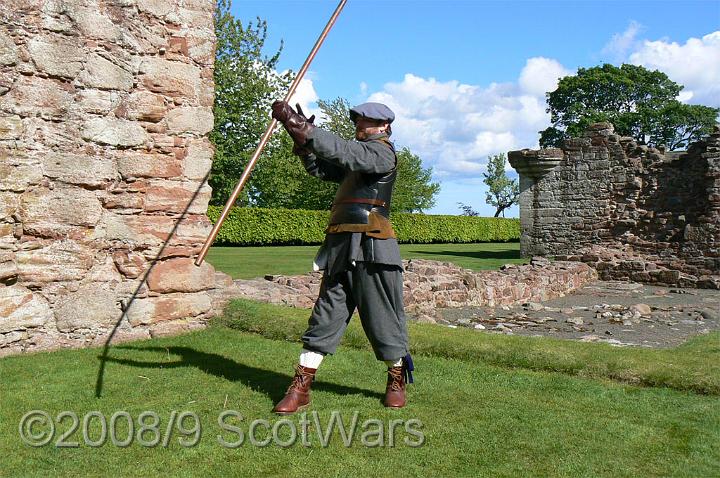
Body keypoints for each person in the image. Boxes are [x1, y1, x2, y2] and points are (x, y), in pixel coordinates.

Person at [269, 100, 413, 414]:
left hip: (374, 247)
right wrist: (301, 142)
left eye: (367, 122)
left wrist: (299, 124)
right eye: (358, 121)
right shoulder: (357, 157)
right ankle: (301, 387)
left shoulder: (381, 153)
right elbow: (323, 167)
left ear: (384, 127)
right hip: (340, 245)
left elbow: (344, 151)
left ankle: (396, 380)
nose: (360, 125)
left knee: (382, 319)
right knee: (325, 315)